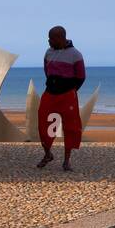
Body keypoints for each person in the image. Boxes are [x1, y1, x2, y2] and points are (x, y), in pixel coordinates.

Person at [37, 26, 86, 171]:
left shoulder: (75, 54)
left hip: (67, 95)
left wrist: (70, 90)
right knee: (44, 123)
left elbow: (81, 77)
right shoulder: (48, 52)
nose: (49, 41)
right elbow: (47, 71)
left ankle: (66, 160)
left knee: (70, 127)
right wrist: (54, 85)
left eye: (51, 38)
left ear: (60, 38)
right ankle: (48, 153)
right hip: (50, 93)